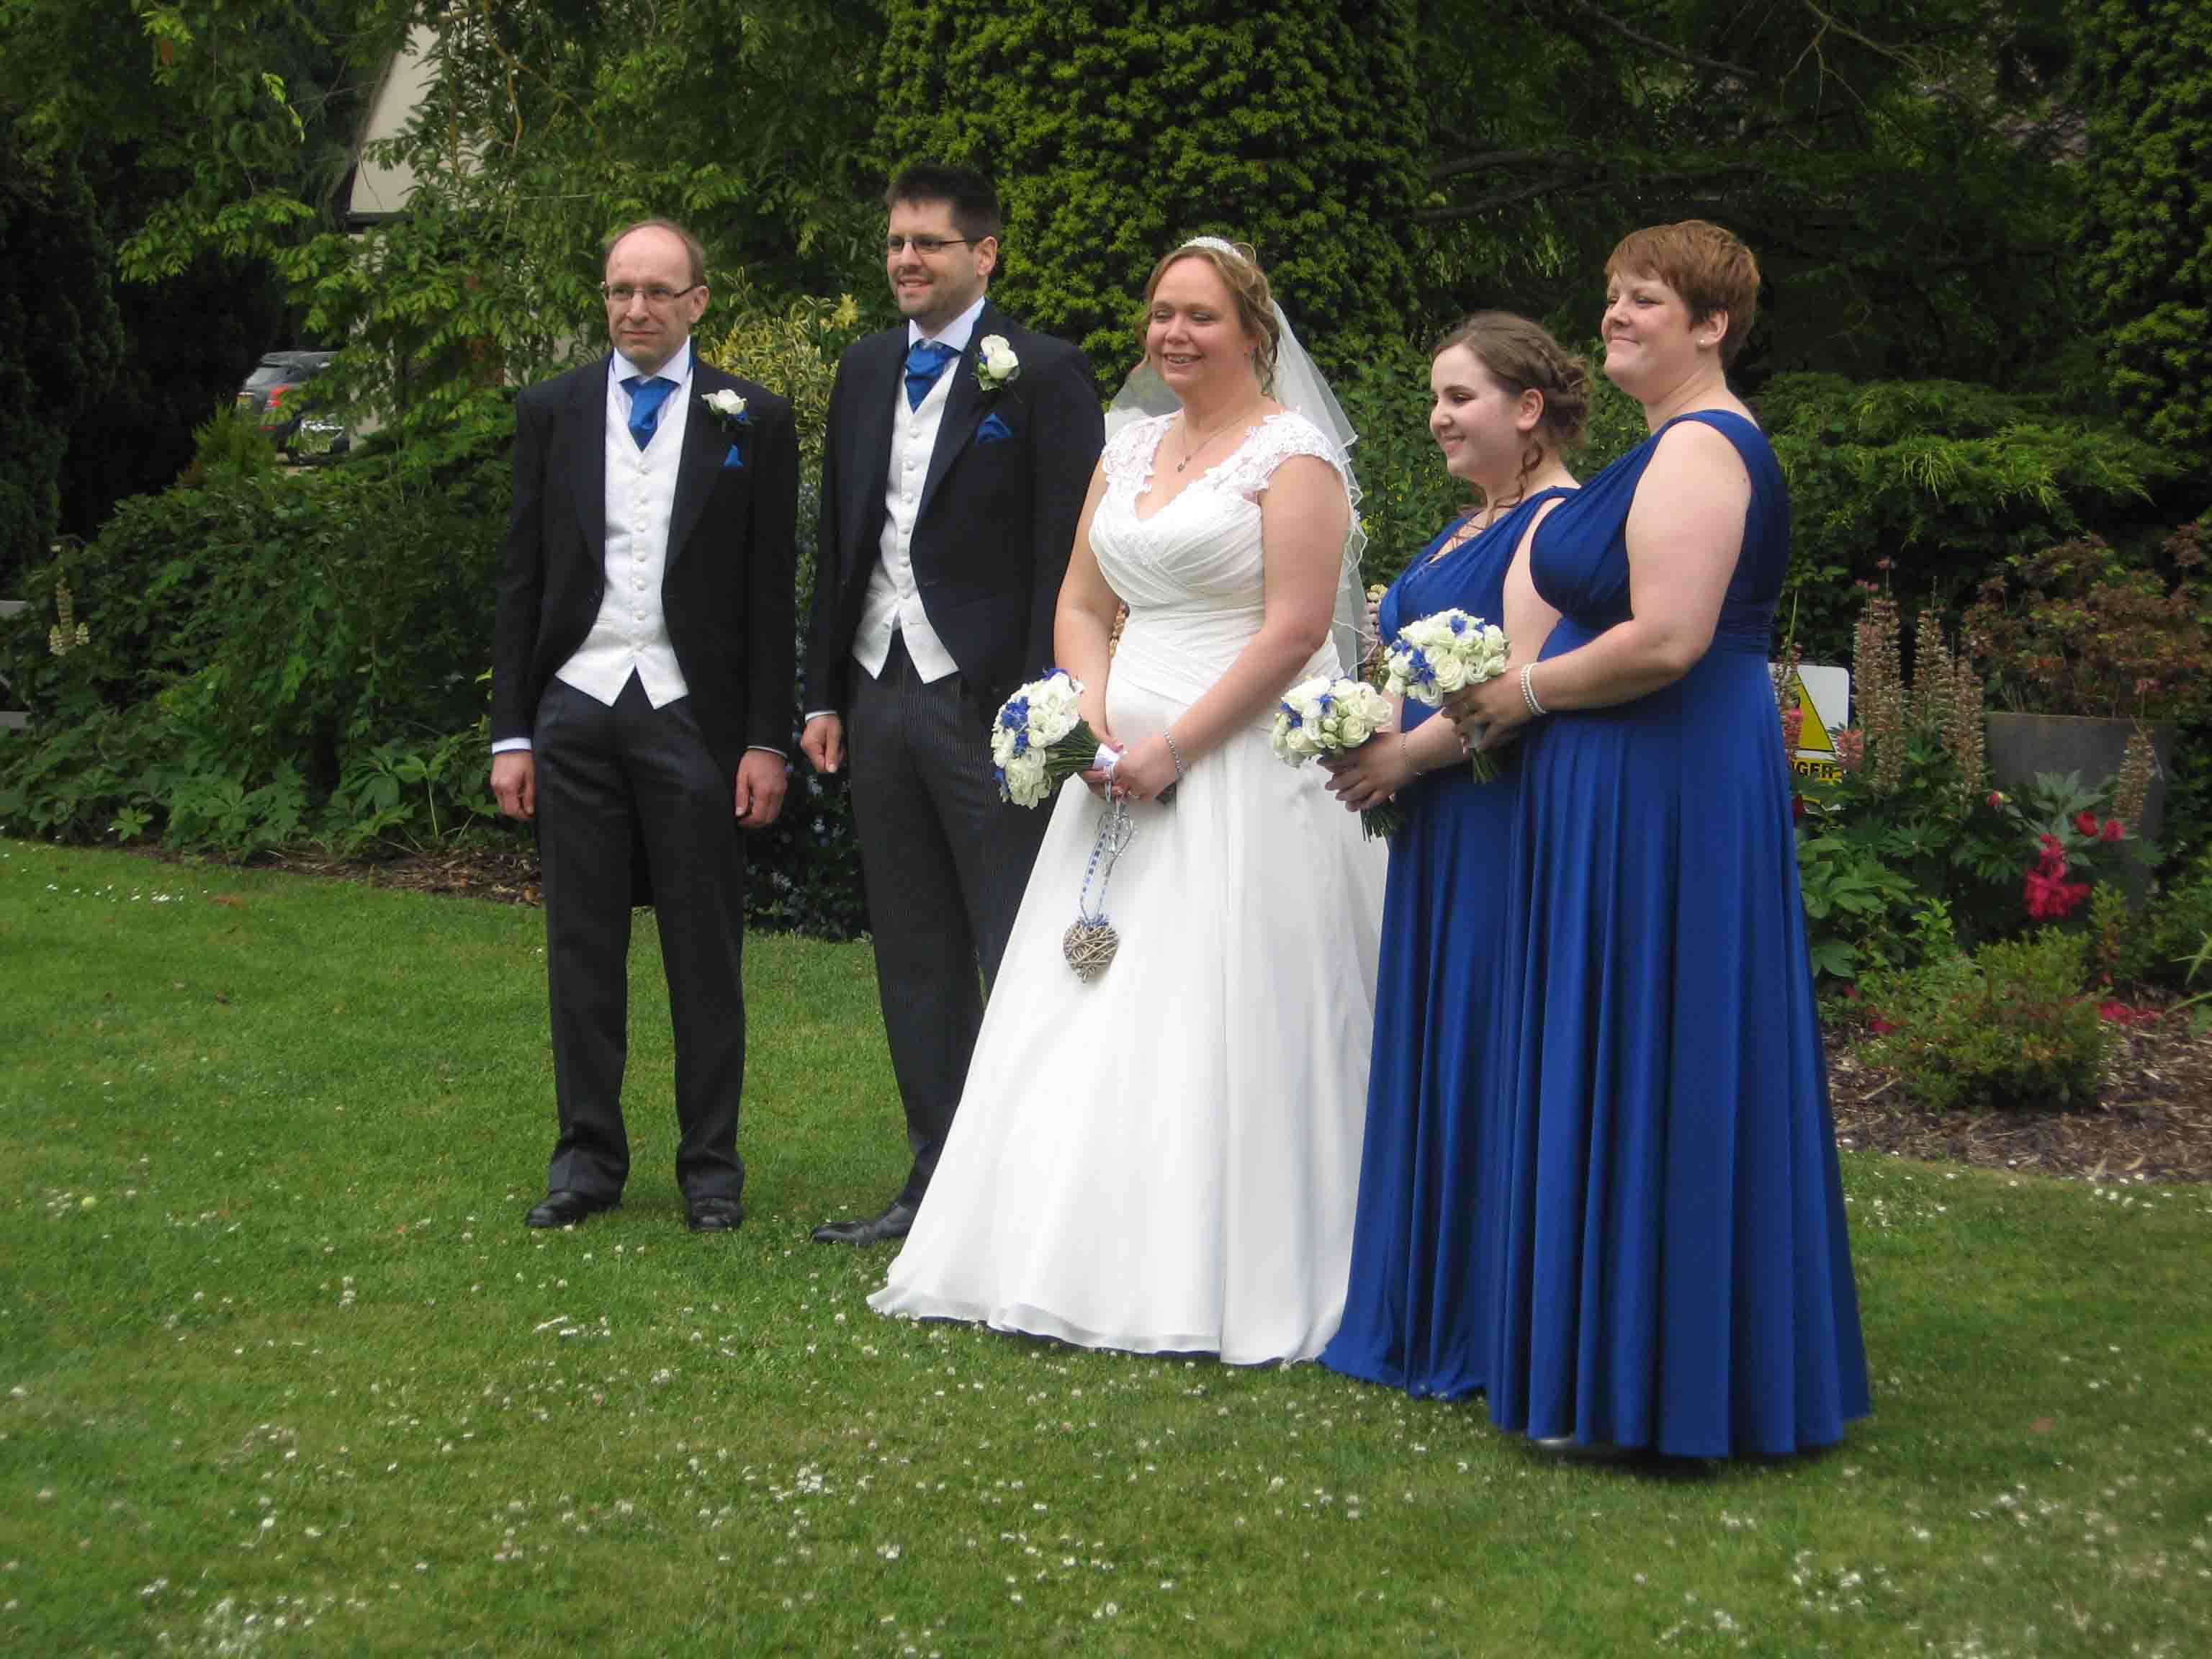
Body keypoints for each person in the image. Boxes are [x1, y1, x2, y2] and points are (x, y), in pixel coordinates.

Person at [868, 238, 1388, 1363]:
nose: (1173, 334)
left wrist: (1176, 749)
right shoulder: (1130, 446)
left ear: (1253, 332)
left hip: (1242, 762)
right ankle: (1059, 1251)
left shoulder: (1294, 458)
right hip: (1113, 758)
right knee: (1085, 999)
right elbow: (1079, 601)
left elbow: (1296, 630)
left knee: (1219, 1002)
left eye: (1200, 316)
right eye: (1162, 313)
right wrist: (1093, 722)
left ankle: (1225, 1267)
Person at [1448, 221, 1869, 1456]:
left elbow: (1673, 638)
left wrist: (1519, 694)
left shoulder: (1702, 447)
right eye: (1612, 297)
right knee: (1616, 1042)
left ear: (1712, 324)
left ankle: (1659, 1380)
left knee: (1660, 1043)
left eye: (1644, 300)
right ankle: (1607, 1364)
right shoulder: (1664, 445)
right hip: (1622, 779)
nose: (1615, 317)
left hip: (1669, 785)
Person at [801, 163, 1104, 1246]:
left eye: (928, 243)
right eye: (896, 243)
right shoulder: (863, 368)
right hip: (878, 690)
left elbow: (1071, 556)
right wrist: (822, 693)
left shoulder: (1047, 374)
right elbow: (841, 540)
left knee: (1015, 943)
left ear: (985, 254)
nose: (906, 260)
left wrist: (1042, 709)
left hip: (993, 706)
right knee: (914, 950)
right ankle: (934, 1180)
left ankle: (1035, 1188)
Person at [491, 218, 797, 1232]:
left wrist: (765, 739)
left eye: (658, 291)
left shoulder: (753, 419)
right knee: (581, 949)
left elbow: (769, 597)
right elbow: (523, 576)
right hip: (575, 706)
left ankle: (711, 1166)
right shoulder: (552, 409)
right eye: (621, 289)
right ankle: (586, 1162)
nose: (635, 309)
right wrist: (511, 733)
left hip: (690, 717)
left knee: (704, 954)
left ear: (697, 303)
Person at [1316, 315, 1583, 1398]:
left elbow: (1514, 692)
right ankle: (1422, 1296)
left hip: (1494, 820)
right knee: (1435, 1037)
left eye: (1460, 398)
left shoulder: (1552, 525)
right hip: (1438, 820)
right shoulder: (1465, 525)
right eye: (1436, 397)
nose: (1437, 417)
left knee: (1485, 1041)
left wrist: (1400, 760)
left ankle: (1483, 1307)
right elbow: (1411, 669)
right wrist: (1359, 731)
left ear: (1529, 409)